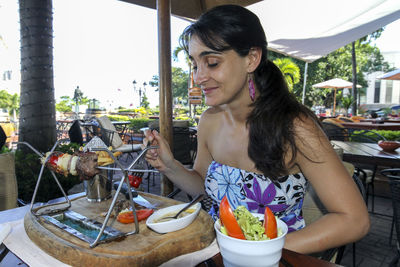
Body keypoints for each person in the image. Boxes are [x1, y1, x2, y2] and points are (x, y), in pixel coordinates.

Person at [144, 4, 369, 255]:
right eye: (195, 65)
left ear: (251, 58)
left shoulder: (296, 127)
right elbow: (204, 187)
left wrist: (261, 254)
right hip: (215, 253)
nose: (198, 77)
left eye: (213, 63)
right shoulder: (209, 120)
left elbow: (353, 220)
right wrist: (169, 165)